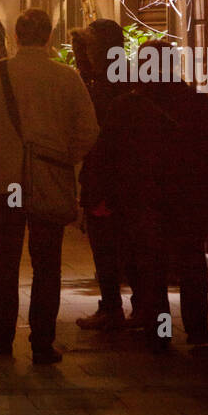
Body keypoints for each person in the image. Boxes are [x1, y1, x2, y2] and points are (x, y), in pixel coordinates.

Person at [82, 39, 208, 354]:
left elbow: (104, 154)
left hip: (144, 199)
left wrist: (96, 196)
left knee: (152, 267)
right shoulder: (193, 101)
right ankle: (199, 331)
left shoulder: (127, 106)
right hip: (189, 198)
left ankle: (161, 332)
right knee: (191, 263)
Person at [0, 8, 99, 364]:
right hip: (49, 182)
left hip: (6, 184)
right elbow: (88, 130)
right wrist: (63, 158)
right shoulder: (66, 78)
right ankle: (42, 341)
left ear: (15, 35)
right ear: (49, 37)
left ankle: (3, 335)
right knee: (47, 263)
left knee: (5, 260)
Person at [72, 19, 141, 331]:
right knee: (130, 245)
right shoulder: (125, 75)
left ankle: (113, 307)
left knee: (107, 245)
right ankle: (140, 307)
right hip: (129, 176)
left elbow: (93, 128)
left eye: (89, 45)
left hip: (107, 176)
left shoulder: (105, 84)